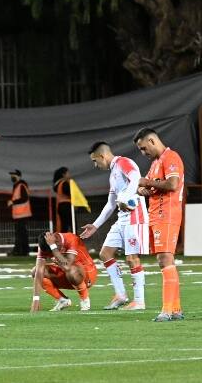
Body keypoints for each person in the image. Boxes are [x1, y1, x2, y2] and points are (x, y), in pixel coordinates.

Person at [80, 142, 149, 311]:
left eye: (95, 161)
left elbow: (136, 178)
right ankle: (121, 295)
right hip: (122, 218)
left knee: (131, 258)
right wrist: (95, 226)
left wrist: (125, 196)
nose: (95, 165)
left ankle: (139, 301)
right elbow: (111, 204)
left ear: (102, 156)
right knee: (105, 253)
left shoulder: (124, 162)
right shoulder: (113, 174)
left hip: (135, 216)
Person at [135, 128, 184, 322]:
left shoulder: (170, 157)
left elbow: (172, 184)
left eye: (144, 148)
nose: (143, 153)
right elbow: (144, 186)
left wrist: (147, 182)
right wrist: (142, 189)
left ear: (152, 141)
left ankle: (167, 310)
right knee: (165, 260)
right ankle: (176, 308)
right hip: (156, 215)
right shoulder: (156, 163)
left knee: (165, 259)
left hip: (168, 214)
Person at [30, 231, 96, 312]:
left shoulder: (71, 238)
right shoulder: (46, 243)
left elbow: (67, 266)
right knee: (35, 271)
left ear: (56, 242)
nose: (51, 254)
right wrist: (36, 300)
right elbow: (39, 271)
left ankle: (84, 299)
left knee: (71, 271)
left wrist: (53, 247)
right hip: (66, 275)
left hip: (86, 274)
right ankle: (63, 300)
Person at [7, 168, 32, 256]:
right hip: (19, 214)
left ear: (19, 176)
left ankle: (21, 251)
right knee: (20, 233)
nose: (12, 177)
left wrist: (12, 202)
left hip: (22, 214)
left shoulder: (21, 185)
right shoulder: (18, 185)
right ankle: (20, 250)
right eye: (11, 175)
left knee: (21, 233)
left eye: (13, 175)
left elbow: (24, 198)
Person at [52, 166, 74, 232]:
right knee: (70, 224)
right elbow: (70, 193)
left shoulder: (57, 184)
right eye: (68, 173)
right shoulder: (64, 183)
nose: (69, 174)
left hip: (60, 205)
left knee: (63, 224)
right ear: (63, 174)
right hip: (66, 205)